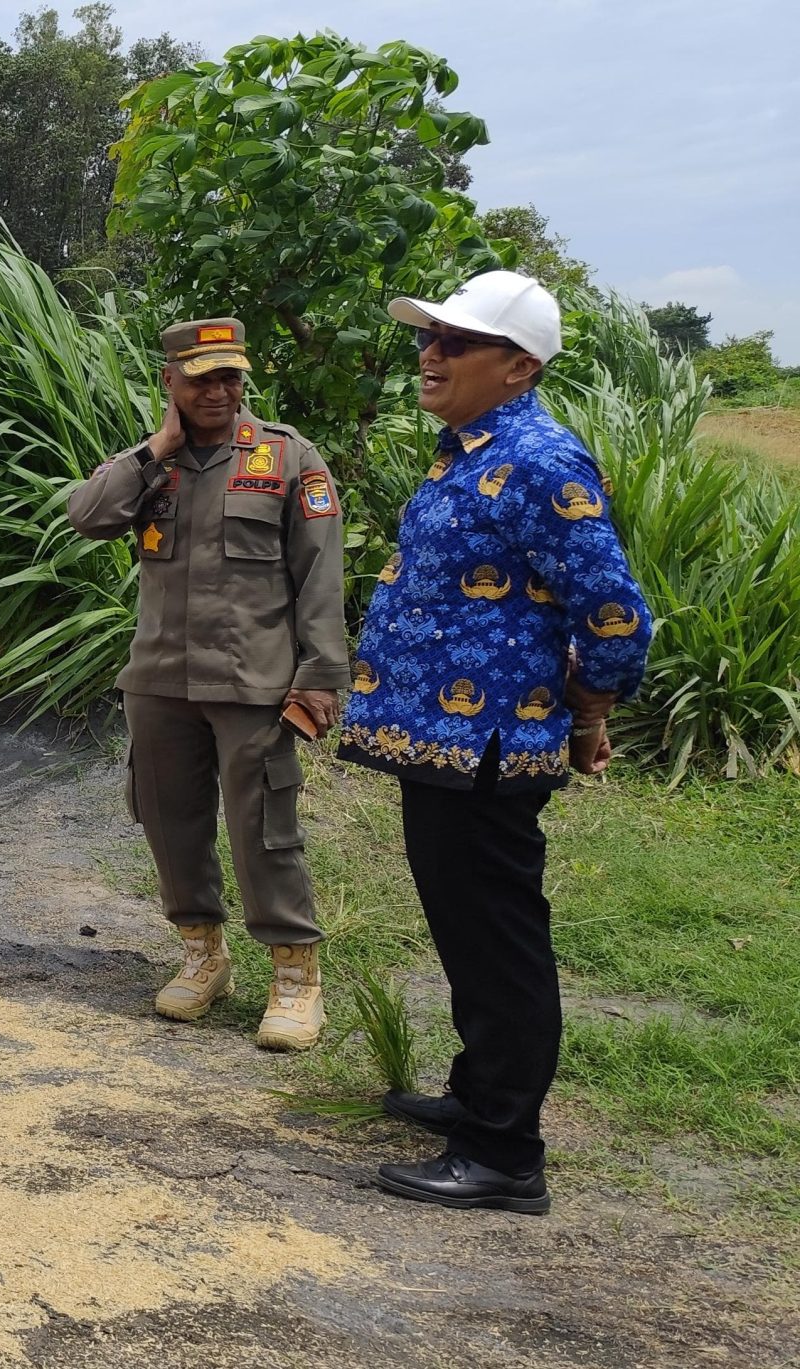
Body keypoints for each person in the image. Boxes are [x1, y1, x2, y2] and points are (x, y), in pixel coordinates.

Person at [346, 271, 651, 1213]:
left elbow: (614, 615)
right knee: (466, 931)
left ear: (520, 365)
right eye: (427, 338)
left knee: (500, 946)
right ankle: (478, 1096)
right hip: (441, 739)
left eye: (456, 342)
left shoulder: (543, 463)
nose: (430, 356)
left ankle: (505, 1152)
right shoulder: (468, 449)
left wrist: (591, 710)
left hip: (486, 746)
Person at [67, 318, 350, 1051]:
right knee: (170, 820)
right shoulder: (148, 465)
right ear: (171, 382)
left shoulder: (286, 457)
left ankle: (295, 977)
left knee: (266, 831)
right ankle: (202, 954)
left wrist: (320, 676)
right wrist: (158, 445)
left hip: (252, 682)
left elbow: (321, 576)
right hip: (160, 679)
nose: (221, 391)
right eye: (202, 378)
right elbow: (88, 514)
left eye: (232, 377)